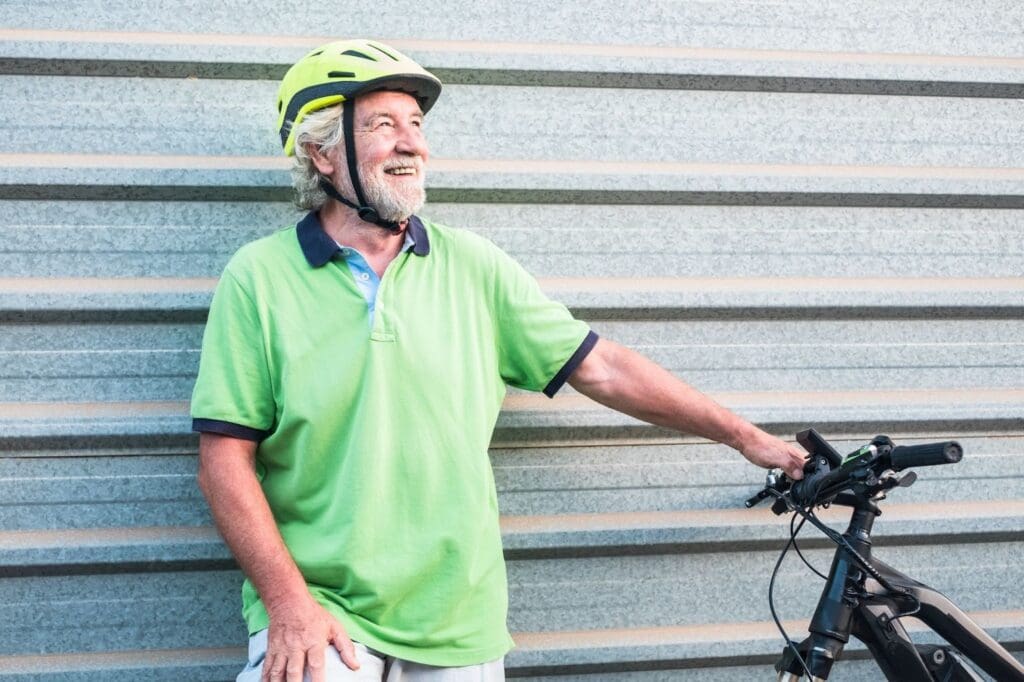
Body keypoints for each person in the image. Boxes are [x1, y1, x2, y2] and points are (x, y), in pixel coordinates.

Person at [190, 38, 807, 682]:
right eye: (382, 125)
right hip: (322, 616)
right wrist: (289, 605)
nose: (412, 145)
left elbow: (603, 368)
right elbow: (223, 463)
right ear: (321, 152)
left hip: (458, 619)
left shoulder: (473, 267)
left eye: (417, 125)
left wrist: (745, 437)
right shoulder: (259, 279)